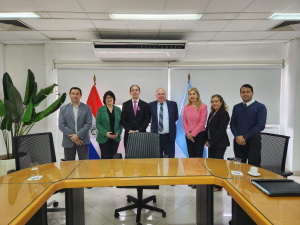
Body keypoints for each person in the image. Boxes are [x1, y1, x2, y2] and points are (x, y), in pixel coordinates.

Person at [230, 84, 267, 163]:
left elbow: (260, 125)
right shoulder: (236, 107)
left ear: (252, 93)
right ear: (240, 94)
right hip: (238, 142)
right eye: (243, 92)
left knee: (253, 168)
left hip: (253, 142)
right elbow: (232, 123)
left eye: (248, 92)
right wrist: (237, 136)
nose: (245, 94)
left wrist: (245, 137)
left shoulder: (260, 107)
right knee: (238, 168)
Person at [183, 87, 207, 189]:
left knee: (198, 158)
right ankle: (192, 179)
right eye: (190, 94)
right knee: (191, 158)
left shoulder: (203, 106)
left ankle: (198, 180)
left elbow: (202, 123)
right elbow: (184, 121)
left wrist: (192, 135)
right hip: (188, 134)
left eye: (194, 94)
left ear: (197, 95)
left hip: (199, 135)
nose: (192, 96)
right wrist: (188, 133)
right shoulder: (186, 107)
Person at [59, 87, 92, 160]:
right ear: (70, 95)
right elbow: (61, 125)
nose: (75, 96)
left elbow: (88, 124)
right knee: (69, 166)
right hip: (68, 141)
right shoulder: (63, 109)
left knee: (84, 166)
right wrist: (74, 137)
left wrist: (78, 135)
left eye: (77, 94)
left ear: (81, 95)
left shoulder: (87, 108)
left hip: (83, 141)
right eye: (73, 94)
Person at [205, 94, 230, 191]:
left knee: (218, 165)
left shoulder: (224, 114)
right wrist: (207, 140)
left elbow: (221, 130)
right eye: (212, 101)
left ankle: (219, 185)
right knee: (212, 165)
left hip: (219, 143)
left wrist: (211, 142)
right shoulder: (212, 113)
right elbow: (208, 128)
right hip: (211, 143)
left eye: (216, 101)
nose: (214, 103)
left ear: (221, 102)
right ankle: (213, 183)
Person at [149, 88, 178, 158]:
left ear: (165, 95)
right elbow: (149, 118)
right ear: (155, 95)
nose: (161, 96)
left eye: (163, 94)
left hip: (169, 136)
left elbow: (175, 117)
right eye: (159, 94)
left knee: (170, 159)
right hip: (156, 136)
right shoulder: (150, 105)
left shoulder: (173, 104)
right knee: (156, 159)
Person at [120, 85, 151, 151]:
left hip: (141, 134)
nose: (135, 92)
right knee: (129, 155)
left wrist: (139, 130)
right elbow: (123, 119)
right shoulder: (125, 104)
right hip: (129, 134)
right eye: (133, 90)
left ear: (139, 92)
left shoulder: (145, 105)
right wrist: (129, 130)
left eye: (136, 90)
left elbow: (147, 119)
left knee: (141, 155)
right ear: (130, 93)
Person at [96, 91, 123, 159]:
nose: (109, 99)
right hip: (104, 138)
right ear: (104, 100)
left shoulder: (118, 109)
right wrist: (105, 133)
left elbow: (121, 123)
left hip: (115, 138)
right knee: (105, 158)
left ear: (113, 99)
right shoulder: (101, 109)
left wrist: (118, 133)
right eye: (107, 98)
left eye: (110, 97)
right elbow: (98, 123)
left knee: (114, 158)